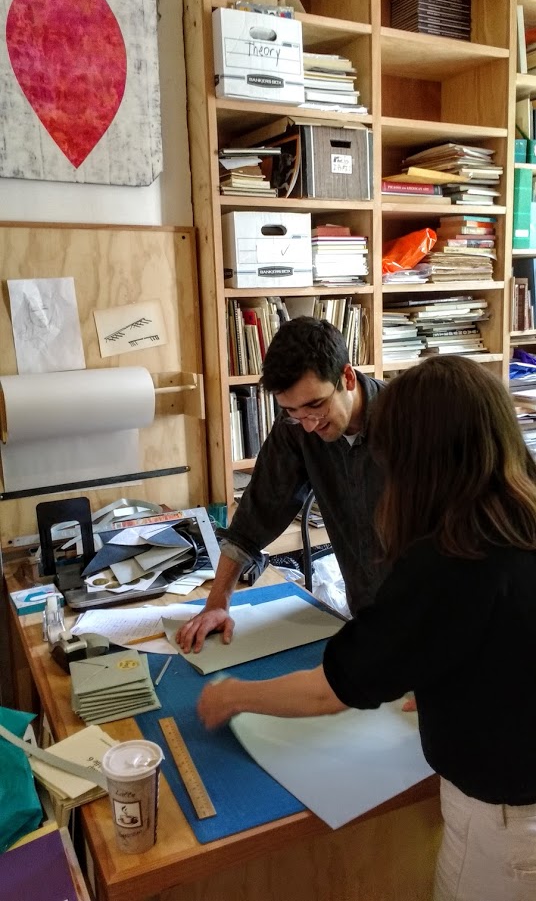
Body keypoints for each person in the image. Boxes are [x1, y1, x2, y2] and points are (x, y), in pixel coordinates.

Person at [197, 356, 536, 901]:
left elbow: (331, 691)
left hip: (504, 826)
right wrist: (448, 676)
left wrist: (233, 695)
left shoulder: (451, 559)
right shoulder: (518, 515)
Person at [178, 316, 387, 654]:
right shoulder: (297, 427)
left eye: (316, 405)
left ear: (347, 377)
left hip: (430, 621)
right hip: (367, 618)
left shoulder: (408, 421)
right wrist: (217, 603)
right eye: (292, 411)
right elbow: (257, 514)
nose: (309, 425)